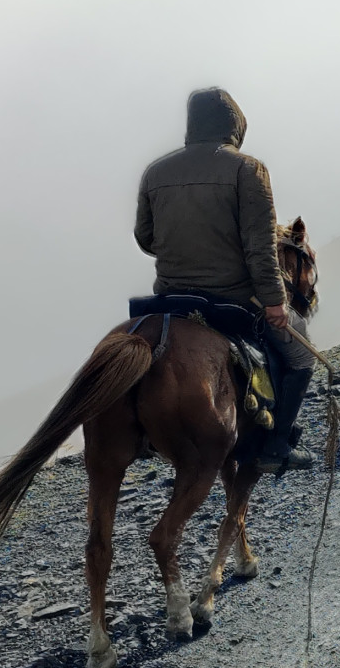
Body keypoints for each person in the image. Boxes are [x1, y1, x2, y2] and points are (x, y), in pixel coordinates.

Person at [135, 88, 315, 470]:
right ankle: (276, 446)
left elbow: (145, 238)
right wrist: (273, 301)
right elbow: (261, 247)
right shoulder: (248, 169)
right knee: (301, 357)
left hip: (170, 299)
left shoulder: (156, 171)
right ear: (234, 125)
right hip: (232, 298)